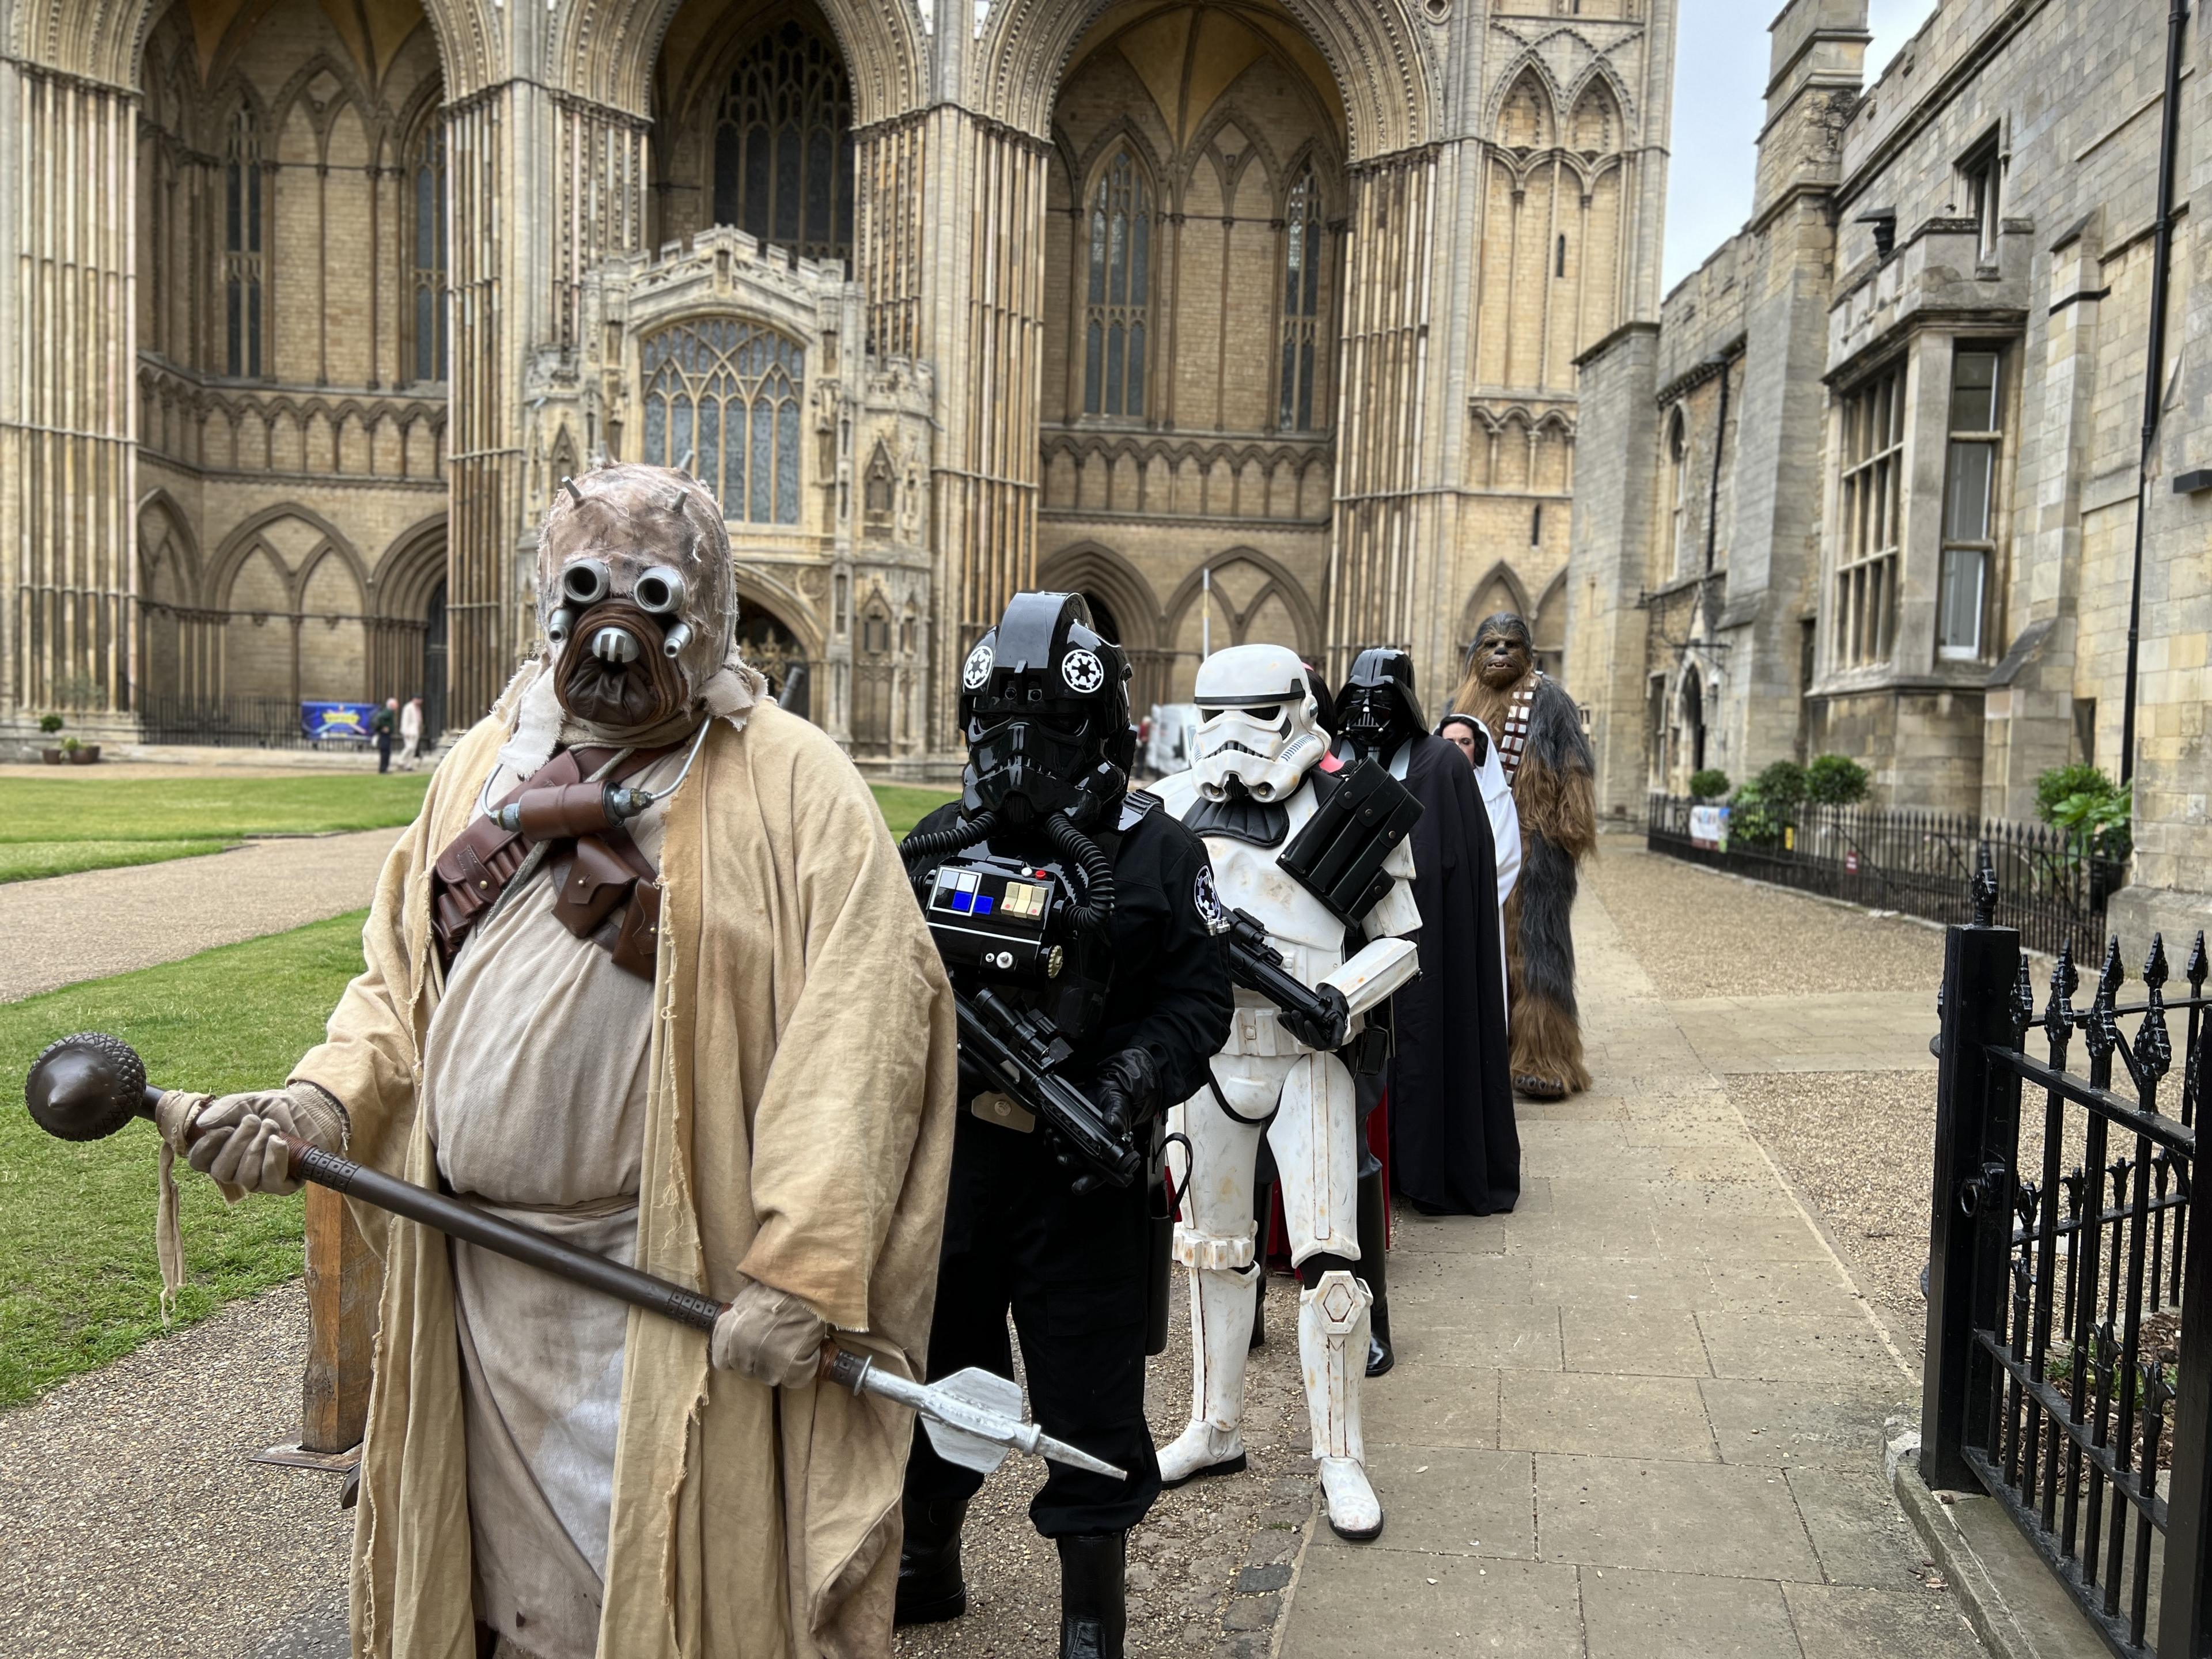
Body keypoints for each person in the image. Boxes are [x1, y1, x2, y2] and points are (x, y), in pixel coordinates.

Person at [164, 463, 959, 1659]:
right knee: (489, 1603)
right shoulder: (483, 765)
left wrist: (802, 1272)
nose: (616, 631)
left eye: (652, 596)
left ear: (715, 610)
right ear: (545, 597)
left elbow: (864, 1034)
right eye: (585, 590)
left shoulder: (795, 783)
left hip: (669, 1296)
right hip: (472, 1294)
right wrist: (319, 1105)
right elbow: (398, 987)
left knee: (662, 1602)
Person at [896, 591, 1232, 1659]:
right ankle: (927, 1557)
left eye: (1047, 732)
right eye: (996, 730)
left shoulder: (1159, 853)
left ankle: (1091, 1610)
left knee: (1088, 1393)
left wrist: (1140, 1075)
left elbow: (1200, 996)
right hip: (954, 1165)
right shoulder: (931, 845)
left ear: (1101, 730)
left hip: (1085, 1167)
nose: (1018, 757)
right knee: (942, 1365)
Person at [1152, 643, 1421, 1542]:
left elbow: (1401, 939)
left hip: (1309, 1058)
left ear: (1300, 707)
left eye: (1257, 713)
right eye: (1216, 713)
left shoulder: (1350, 809)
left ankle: (1337, 1453)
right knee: (1213, 1251)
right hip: (1209, 1050)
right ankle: (1214, 1425)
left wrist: (1341, 998)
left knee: (1330, 1264)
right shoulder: (1173, 804)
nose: (1234, 737)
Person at [1336, 649, 1517, 1219]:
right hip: (1346, 931)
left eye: (1382, 701)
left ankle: (1425, 1169)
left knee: (1424, 1038)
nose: (1369, 714)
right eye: (1359, 701)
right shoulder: (1335, 760)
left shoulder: (1442, 766)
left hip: (1425, 934)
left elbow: (1462, 863)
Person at [1452, 612, 1598, 1100]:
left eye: (1511, 644)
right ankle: (1487, 1053)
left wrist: (1566, 832)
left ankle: (1546, 1058)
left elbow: (1575, 766)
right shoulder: (1465, 703)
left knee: (1536, 956)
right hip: (1481, 846)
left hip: (1538, 848)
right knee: (1481, 952)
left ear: (1529, 653)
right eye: (1490, 643)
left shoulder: (1549, 699)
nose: (1500, 652)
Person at [1438, 713, 1522, 989]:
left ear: (1478, 747)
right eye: (1449, 742)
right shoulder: (1426, 791)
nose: (1457, 748)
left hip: (1479, 906)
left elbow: (1507, 856)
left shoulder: (1496, 797)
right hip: (1434, 906)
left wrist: (1470, 896)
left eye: (1465, 741)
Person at [397, 694, 425, 771]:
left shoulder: (418, 708)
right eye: (420, 700)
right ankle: (401, 761)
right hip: (409, 731)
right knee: (409, 747)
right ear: (415, 699)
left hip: (416, 731)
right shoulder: (408, 707)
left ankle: (409, 765)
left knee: (413, 749)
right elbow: (405, 720)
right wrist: (406, 731)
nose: (421, 702)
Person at [372, 696, 397, 772]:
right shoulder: (388, 712)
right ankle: (383, 769)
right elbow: (380, 718)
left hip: (386, 735)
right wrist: (384, 727)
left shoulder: (390, 712)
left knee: (386, 751)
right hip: (384, 735)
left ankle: (384, 768)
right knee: (385, 751)